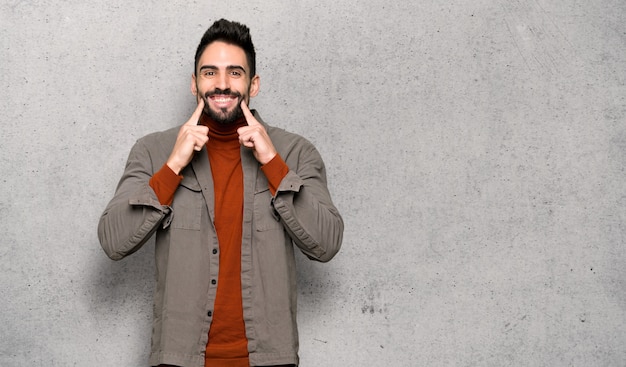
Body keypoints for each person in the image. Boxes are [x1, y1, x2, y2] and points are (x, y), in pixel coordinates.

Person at [98, 19, 344, 367]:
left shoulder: (295, 152)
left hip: (268, 359)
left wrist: (273, 163)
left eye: (235, 73)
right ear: (195, 84)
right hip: (178, 358)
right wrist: (172, 167)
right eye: (210, 73)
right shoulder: (153, 151)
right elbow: (112, 240)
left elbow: (327, 242)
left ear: (253, 84)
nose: (223, 84)